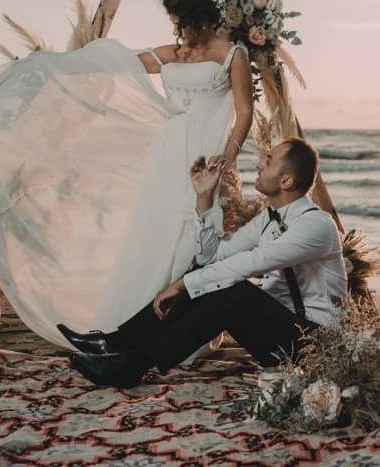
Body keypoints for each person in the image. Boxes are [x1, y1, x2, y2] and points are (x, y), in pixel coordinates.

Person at [0, 0, 253, 348]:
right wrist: (48, 68)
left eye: (182, 22)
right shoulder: (173, 53)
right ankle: (126, 329)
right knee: (153, 237)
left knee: (192, 240)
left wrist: (227, 156)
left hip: (204, 159)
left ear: (200, 16)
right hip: (168, 155)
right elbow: (114, 64)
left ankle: (183, 337)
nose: (178, 31)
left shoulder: (233, 55)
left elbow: (244, 110)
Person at [58, 138, 348, 387]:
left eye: (269, 161)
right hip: (274, 338)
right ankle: (115, 343)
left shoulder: (317, 226)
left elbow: (252, 262)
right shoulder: (267, 220)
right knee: (206, 274)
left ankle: (131, 366)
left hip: (313, 344)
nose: (259, 164)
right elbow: (211, 258)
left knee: (232, 289)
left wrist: (182, 285)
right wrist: (204, 199)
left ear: (286, 180)